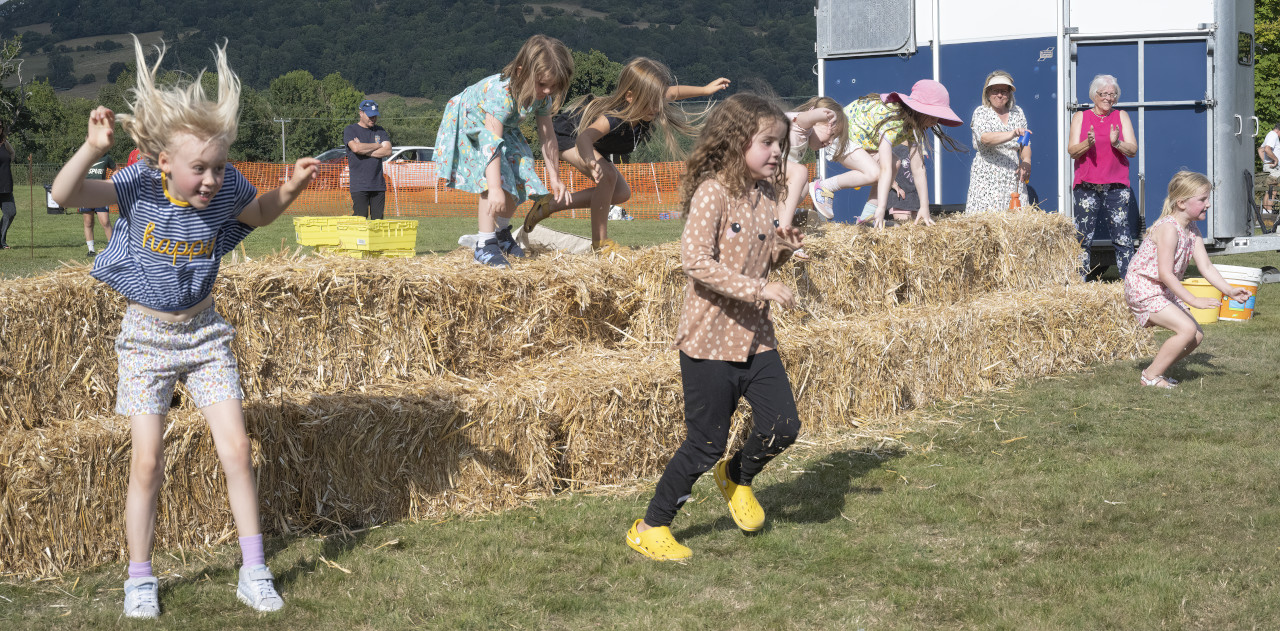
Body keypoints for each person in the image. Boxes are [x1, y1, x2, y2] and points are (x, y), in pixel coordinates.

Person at [49, 36, 318, 619]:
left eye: (219, 167)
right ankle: (139, 578)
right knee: (147, 462)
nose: (213, 179)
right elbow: (64, 194)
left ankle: (254, 570)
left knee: (238, 449)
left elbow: (259, 212)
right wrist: (91, 148)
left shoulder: (224, 191)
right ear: (164, 162)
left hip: (204, 335)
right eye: (200, 168)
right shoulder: (138, 186)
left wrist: (290, 188)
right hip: (146, 339)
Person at [625, 93, 802, 561]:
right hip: (709, 342)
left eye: (780, 143)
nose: (777, 152)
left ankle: (737, 476)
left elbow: (760, 260)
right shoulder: (713, 193)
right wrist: (760, 288)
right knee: (704, 445)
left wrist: (782, 250)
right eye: (767, 142)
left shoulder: (767, 195)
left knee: (783, 426)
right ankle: (650, 527)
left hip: (756, 337)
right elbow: (696, 262)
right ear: (736, 141)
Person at [522, 58, 726, 254]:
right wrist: (591, 160)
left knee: (621, 193)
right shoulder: (614, 117)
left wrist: (705, 90)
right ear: (630, 97)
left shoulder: (650, 105)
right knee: (608, 176)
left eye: (658, 101)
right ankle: (600, 243)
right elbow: (585, 137)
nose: (656, 108)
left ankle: (550, 205)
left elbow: (672, 92)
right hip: (569, 137)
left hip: (590, 143)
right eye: (651, 102)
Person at [434, 34, 573, 268]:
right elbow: (490, 143)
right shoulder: (500, 93)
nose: (548, 90)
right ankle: (484, 245)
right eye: (542, 84)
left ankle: (500, 234)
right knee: (494, 178)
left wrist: (555, 177)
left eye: (554, 86)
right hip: (471, 122)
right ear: (521, 72)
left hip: (503, 128)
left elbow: (548, 137)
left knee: (523, 169)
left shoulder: (542, 97)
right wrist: (495, 187)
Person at [1123, 171, 1250, 388]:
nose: (1208, 204)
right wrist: (1194, 300)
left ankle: (1157, 371)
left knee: (1196, 336)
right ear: (1181, 203)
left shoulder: (1191, 229)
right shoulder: (1168, 229)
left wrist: (1229, 291)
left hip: (1161, 288)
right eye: (1202, 199)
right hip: (1144, 287)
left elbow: (1206, 266)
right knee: (1187, 330)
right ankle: (1150, 376)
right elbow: (1165, 273)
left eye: (1207, 199)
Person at [810, 79, 965, 228]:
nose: (935, 122)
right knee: (875, 173)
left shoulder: (912, 128)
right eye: (932, 116)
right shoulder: (892, 122)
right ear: (919, 110)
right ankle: (824, 186)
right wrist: (881, 208)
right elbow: (884, 170)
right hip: (841, 135)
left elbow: (918, 168)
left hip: (858, 140)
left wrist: (924, 207)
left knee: (894, 163)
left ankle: (867, 218)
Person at [1069, 73, 1138, 279]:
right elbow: (1072, 151)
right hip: (1086, 185)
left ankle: (1130, 282)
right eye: (1104, 94)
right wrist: (1087, 143)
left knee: (1122, 236)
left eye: (1112, 94)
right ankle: (1079, 281)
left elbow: (1133, 150)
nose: (1108, 98)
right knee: (1082, 237)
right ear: (1094, 95)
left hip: (1116, 186)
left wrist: (1117, 143)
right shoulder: (1080, 117)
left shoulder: (1121, 116)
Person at [775, 96, 848, 258]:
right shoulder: (800, 127)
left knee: (803, 187)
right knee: (800, 172)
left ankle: (776, 219)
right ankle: (783, 236)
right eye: (831, 134)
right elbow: (806, 118)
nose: (830, 142)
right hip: (755, 167)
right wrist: (825, 115)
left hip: (766, 176)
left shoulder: (804, 136)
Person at [965, 71, 1032, 213]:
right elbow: (985, 139)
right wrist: (1012, 133)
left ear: (1009, 94)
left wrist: (1026, 161)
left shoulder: (1018, 113)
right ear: (988, 93)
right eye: (995, 91)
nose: (1000, 95)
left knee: (1014, 220)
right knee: (986, 219)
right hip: (987, 175)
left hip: (1012, 176)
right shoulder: (981, 112)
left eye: (1004, 91)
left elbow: (1025, 143)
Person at [345, 99, 391, 219]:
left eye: (375, 116)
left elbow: (387, 151)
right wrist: (377, 145)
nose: (373, 119)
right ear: (361, 113)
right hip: (359, 185)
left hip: (378, 185)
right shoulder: (350, 130)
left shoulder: (380, 130)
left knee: (378, 223)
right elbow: (356, 148)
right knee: (360, 221)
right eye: (370, 116)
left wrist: (364, 150)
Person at [80, 152, 116, 256]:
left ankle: (112, 249)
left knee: (105, 222)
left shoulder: (106, 157)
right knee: (88, 222)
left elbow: (116, 170)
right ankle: (91, 250)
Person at [1257, 122, 1280, 211]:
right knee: (1273, 190)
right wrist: (1275, 159)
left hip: (1270, 167)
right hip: (1273, 168)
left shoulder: (1270, 135)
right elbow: (1266, 149)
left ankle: (1265, 213)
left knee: (1269, 190)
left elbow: (1260, 150)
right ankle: (1269, 214)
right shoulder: (1274, 135)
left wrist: (1266, 162)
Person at [0, 122, 14, 250]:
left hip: (6, 185)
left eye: (0, 126)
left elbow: (12, 153)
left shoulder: (5, 143)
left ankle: (1, 240)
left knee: (10, 212)